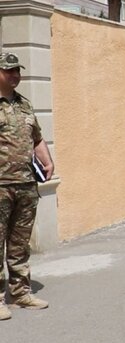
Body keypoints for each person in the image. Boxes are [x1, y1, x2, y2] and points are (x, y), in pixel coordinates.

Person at [0, 52, 54, 321]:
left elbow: (37, 138)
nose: (15, 75)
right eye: (9, 71)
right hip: (0, 186)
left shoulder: (24, 104)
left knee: (20, 243)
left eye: (17, 71)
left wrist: (47, 160)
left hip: (25, 184)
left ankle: (20, 293)